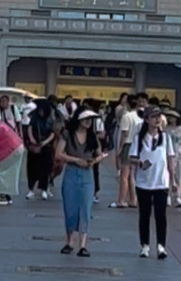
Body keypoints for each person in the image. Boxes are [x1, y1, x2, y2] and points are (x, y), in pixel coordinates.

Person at [57, 108, 108, 255]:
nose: (88, 122)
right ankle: (69, 241)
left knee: (85, 208)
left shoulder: (92, 136)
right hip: (71, 172)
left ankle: (83, 244)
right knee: (70, 207)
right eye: (86, 119)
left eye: (90, 120)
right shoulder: (68, 134)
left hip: (87, 174)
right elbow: (59, 154)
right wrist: (76, 160)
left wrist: (93, 161)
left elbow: (99, 155)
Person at [129, 105, 175, 258]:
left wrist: (173, 180)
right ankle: (145, 245)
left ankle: (161, 246)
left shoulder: (165, 138)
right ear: (147, 119)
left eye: (159, 117)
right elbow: (131, 157)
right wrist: (140, 163)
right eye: (154, 117)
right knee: (144, 215)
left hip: (161, 182)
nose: (157, 120)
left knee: (161, 215)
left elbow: (170, 159)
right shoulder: (139, 138)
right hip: (144, 182)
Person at [111, 91, 148, 209]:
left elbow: (124, 134)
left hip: (128, 145)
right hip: (137, 146)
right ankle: (133, 199)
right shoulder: (140, 117)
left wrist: (119, 150)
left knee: (124, 175)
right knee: (132, 175)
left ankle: (121, 200)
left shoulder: (126, 117)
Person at [0, 118, 26, 205]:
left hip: (11, 149)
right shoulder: (1, 125)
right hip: (17, 146)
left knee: (0, 172)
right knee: (9, 173)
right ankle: (7, 196)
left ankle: (3, 197)